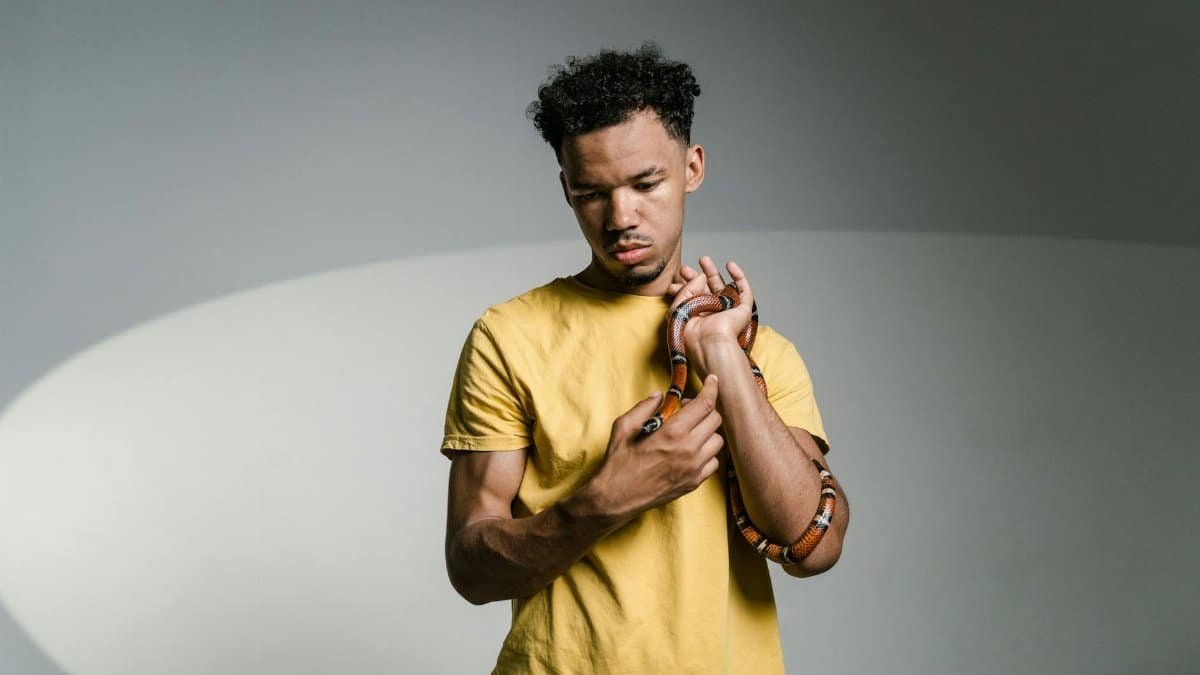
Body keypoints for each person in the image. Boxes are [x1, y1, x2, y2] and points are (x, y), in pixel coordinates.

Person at [440, 42, 850, 674]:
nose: (620, 216)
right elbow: (471, 568)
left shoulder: (758, 349)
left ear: (692, 167)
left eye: (645, 183)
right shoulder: (509, 336)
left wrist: (721, 355)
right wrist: (606, 499)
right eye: (591, 192)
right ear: (566, 189)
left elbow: (813, 544)